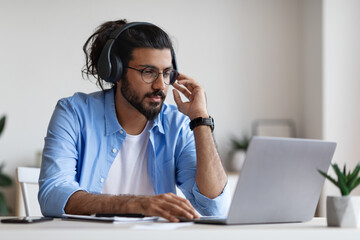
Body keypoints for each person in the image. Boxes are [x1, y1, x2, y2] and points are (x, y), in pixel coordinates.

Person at [38, 19, 230, 222]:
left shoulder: (177, 124)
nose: (160, 85)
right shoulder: (74, 113)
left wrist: (200, 120)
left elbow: (214, 206)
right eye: (148, 72)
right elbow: (53, 195)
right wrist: (136, 204)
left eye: (166, 73)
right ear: (117, 72)